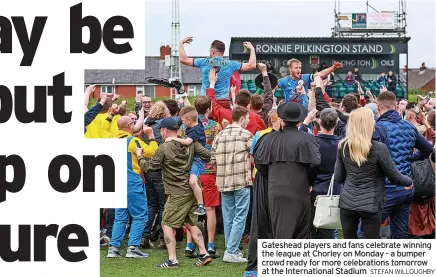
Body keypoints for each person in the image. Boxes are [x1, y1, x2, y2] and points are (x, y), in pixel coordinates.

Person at [138, 117, 212, 268]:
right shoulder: (191, 142)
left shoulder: (164, 148)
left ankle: (172, 260)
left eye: (161, 131)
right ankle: (204, 253)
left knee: (166, 223)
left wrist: (139, 156)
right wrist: (194, 168)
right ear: (177, 130)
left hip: (177, 192)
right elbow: (207, 155)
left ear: (165, 131)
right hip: (193, 189)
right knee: (190, 222)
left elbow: (150, 167)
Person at [335, 108, 413, 239]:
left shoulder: (343, 146)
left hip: (347, 203)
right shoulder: (379, 148)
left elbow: (339, 177)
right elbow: (394, 176)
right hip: (371, 205)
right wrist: (409, 181)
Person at [254, 102, 321, 239]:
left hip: (276, 191)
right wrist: (310, 182)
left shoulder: (269, 139)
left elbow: (259, 161)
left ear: (282, 119)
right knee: (301, 232)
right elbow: (315, 163)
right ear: (299, 120)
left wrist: (271, 175)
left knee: (281, 232)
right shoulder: (307, 139)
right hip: (300, 190)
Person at [372, 91, 433, 238]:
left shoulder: (378, 128)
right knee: (400, 236)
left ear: (379, 108)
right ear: (396, 106)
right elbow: (428, 148)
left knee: (365, 232)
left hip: (386, 189)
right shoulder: (408, 126)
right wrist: (410, 157)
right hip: (406, 189)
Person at [106, 110, 159, 258]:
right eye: (133, 123)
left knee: (120, 217)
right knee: (140, 215)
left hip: (116, 182)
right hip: (131, 182)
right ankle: (133, 248)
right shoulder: (132, 141)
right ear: (130, 126)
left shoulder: (111, 139)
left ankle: (113, 248)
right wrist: (151, 136)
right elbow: (152, 152)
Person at [179, 96, 222, 258]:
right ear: (209, 109)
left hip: (191, 171)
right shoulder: (215, 126)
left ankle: (190, 245)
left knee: (192, 209)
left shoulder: (186, 126)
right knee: (210, 209)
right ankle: (210, 245)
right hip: (209, 171)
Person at [210, 107, 253, 263]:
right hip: (241, 181)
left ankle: (231, 249)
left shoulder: (219, 135)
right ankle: (231, 251)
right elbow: (256, 155)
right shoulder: (246, 134)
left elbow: (212, 160)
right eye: (247, 118)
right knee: (239, 217)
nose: (248, 121)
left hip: (223, 181)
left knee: (229, 217)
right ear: (241, 118)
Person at [179, 37, 256, 102]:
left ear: (212, 51)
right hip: (222, 102)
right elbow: (251, 65)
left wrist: (181, 43)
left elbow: (183, 59)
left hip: (205, 102)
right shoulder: (231, 64)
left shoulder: (203, 62)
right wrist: (252, 49)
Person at [165, 106, 208, 216]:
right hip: (192, 157)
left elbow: (188, 142)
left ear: (189, 120)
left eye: (183, 120)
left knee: (192, 182)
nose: (182, 123)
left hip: (198, 159)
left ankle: (201, 206)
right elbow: (191, 109)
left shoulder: (195, 130)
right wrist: (183, 96)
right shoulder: (197, 122)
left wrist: (173, 138)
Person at [206, 68, 266, 134]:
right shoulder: (257, 118)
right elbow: (264, 136)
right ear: (249, 103)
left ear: (235, 102)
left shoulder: (225, 114)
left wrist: (212, 83)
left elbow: (212, 104)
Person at [278, 59, 342, 109]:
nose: (299, 70)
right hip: (290, 112)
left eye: (300, 68)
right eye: (296, 68)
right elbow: (271, 88)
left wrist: (333, 67)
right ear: (290, 69)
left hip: (305, 111)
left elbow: (320, 74)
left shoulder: (305, 77)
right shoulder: (284, 81)